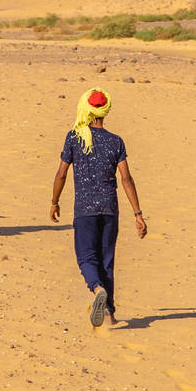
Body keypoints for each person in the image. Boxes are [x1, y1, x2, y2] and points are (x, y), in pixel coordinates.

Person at [49, 87, 146, 329]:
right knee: (107, 261)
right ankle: (110, 315)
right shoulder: (116, 141)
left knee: (86, 258)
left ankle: (97, 289)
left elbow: (61, 174)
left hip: (85, 210)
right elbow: (126, 179)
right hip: (110, 209)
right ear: (105, 111)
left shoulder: (75, 137)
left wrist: (54, 202)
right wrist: (138, 214)